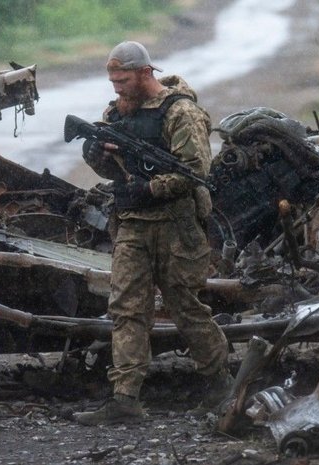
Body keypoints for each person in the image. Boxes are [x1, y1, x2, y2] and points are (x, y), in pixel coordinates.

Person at [74, 41, 232, 425]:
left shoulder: (180, 111)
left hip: (176, 226)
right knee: (127, 310)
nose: (116, 87)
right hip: (133, 226)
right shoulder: (117, 112)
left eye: (123, 79)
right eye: (112, 80)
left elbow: (195, 170)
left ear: (146, 73)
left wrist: (147, 189)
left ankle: (222, 386)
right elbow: (112, 169)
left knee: (186, 308)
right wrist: (97, 152)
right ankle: (125, 398)